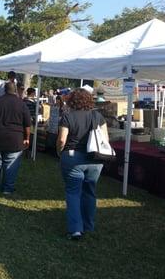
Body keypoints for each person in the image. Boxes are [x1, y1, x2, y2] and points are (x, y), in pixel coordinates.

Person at [57, 88, 107, 241]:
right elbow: (105, 139)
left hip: (73, 158)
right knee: (89, 192)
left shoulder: (67, 117)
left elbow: (61, 140)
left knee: (73, 193)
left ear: (72, 101)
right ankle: (88, 225)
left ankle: (75, 229)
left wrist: (60, 152)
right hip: (95, 159)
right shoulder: (97, 116)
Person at [0, 82, 31, 195]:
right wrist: (27, 138)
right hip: (15, 139)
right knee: (11, 165)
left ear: (4, 90)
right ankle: (7, 188)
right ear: (15, 90)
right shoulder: (21, 104)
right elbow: (27, 124)